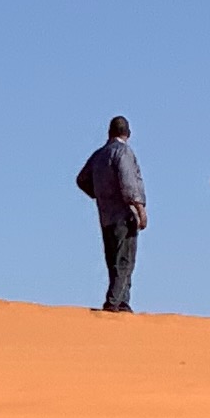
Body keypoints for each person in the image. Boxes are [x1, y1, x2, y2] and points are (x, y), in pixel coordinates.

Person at [73, 115, 150, 313]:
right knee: (125, 260)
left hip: (106, 215)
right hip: (124, 214)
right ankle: (113, 303)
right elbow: (128, 184)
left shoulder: (99, 155)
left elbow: (82, 180)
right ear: (128, 133)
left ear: (109, 132)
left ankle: (123, 302)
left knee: (113, 259)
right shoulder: (123, 152)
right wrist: (140, 210)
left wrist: (100, 195)